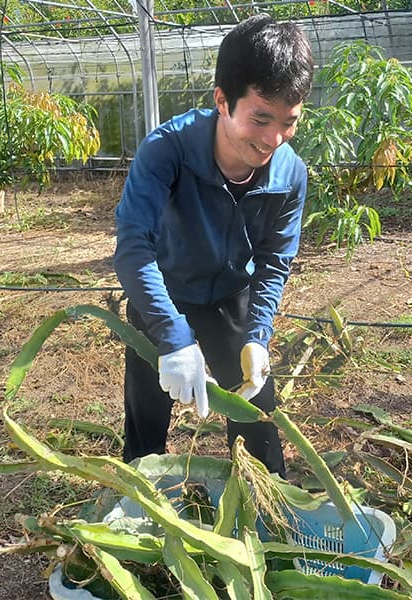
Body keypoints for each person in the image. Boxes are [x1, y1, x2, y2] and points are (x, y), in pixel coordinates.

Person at [113, 14, 314, 478]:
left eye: (289, 122)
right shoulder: (167, 151)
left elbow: (274, 262)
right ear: (222, 100)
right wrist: (172, 336)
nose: (273, 139)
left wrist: (258, 336)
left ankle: (268, 505)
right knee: (146, 421)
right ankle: (142, 504)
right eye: (261, 118)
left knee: (256, 413)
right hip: (162, 292)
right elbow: (134, 247)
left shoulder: (290, 174)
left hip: (230, 299)